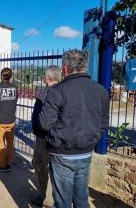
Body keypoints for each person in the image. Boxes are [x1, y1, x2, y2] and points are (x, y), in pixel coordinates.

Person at [38, 50, 109, 208]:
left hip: (62, 153)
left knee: (63, 201)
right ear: (84, 66)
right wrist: (93, 138)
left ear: (64, 69)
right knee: (81, 199)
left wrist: (57, 139)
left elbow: (44, 123)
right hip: (86, 152)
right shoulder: (100, 90)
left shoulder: (57, 91)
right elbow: (104, 123)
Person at [30, 65, 61, 207]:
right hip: (61, 138)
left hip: (44, 138)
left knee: (41, 167)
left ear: (47, 78)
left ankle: (45, 198)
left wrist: (36, 131)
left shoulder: (45, 93)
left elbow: (38, 117)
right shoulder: (64, 91)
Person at [0, 68, 18, 172]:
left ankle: (2, 166)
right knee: (10, 144)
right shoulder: (15, 88)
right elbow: (14, 102)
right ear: (11, 76)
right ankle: (8, 163)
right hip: (11, 120)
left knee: (0, 145)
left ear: (1, 76)